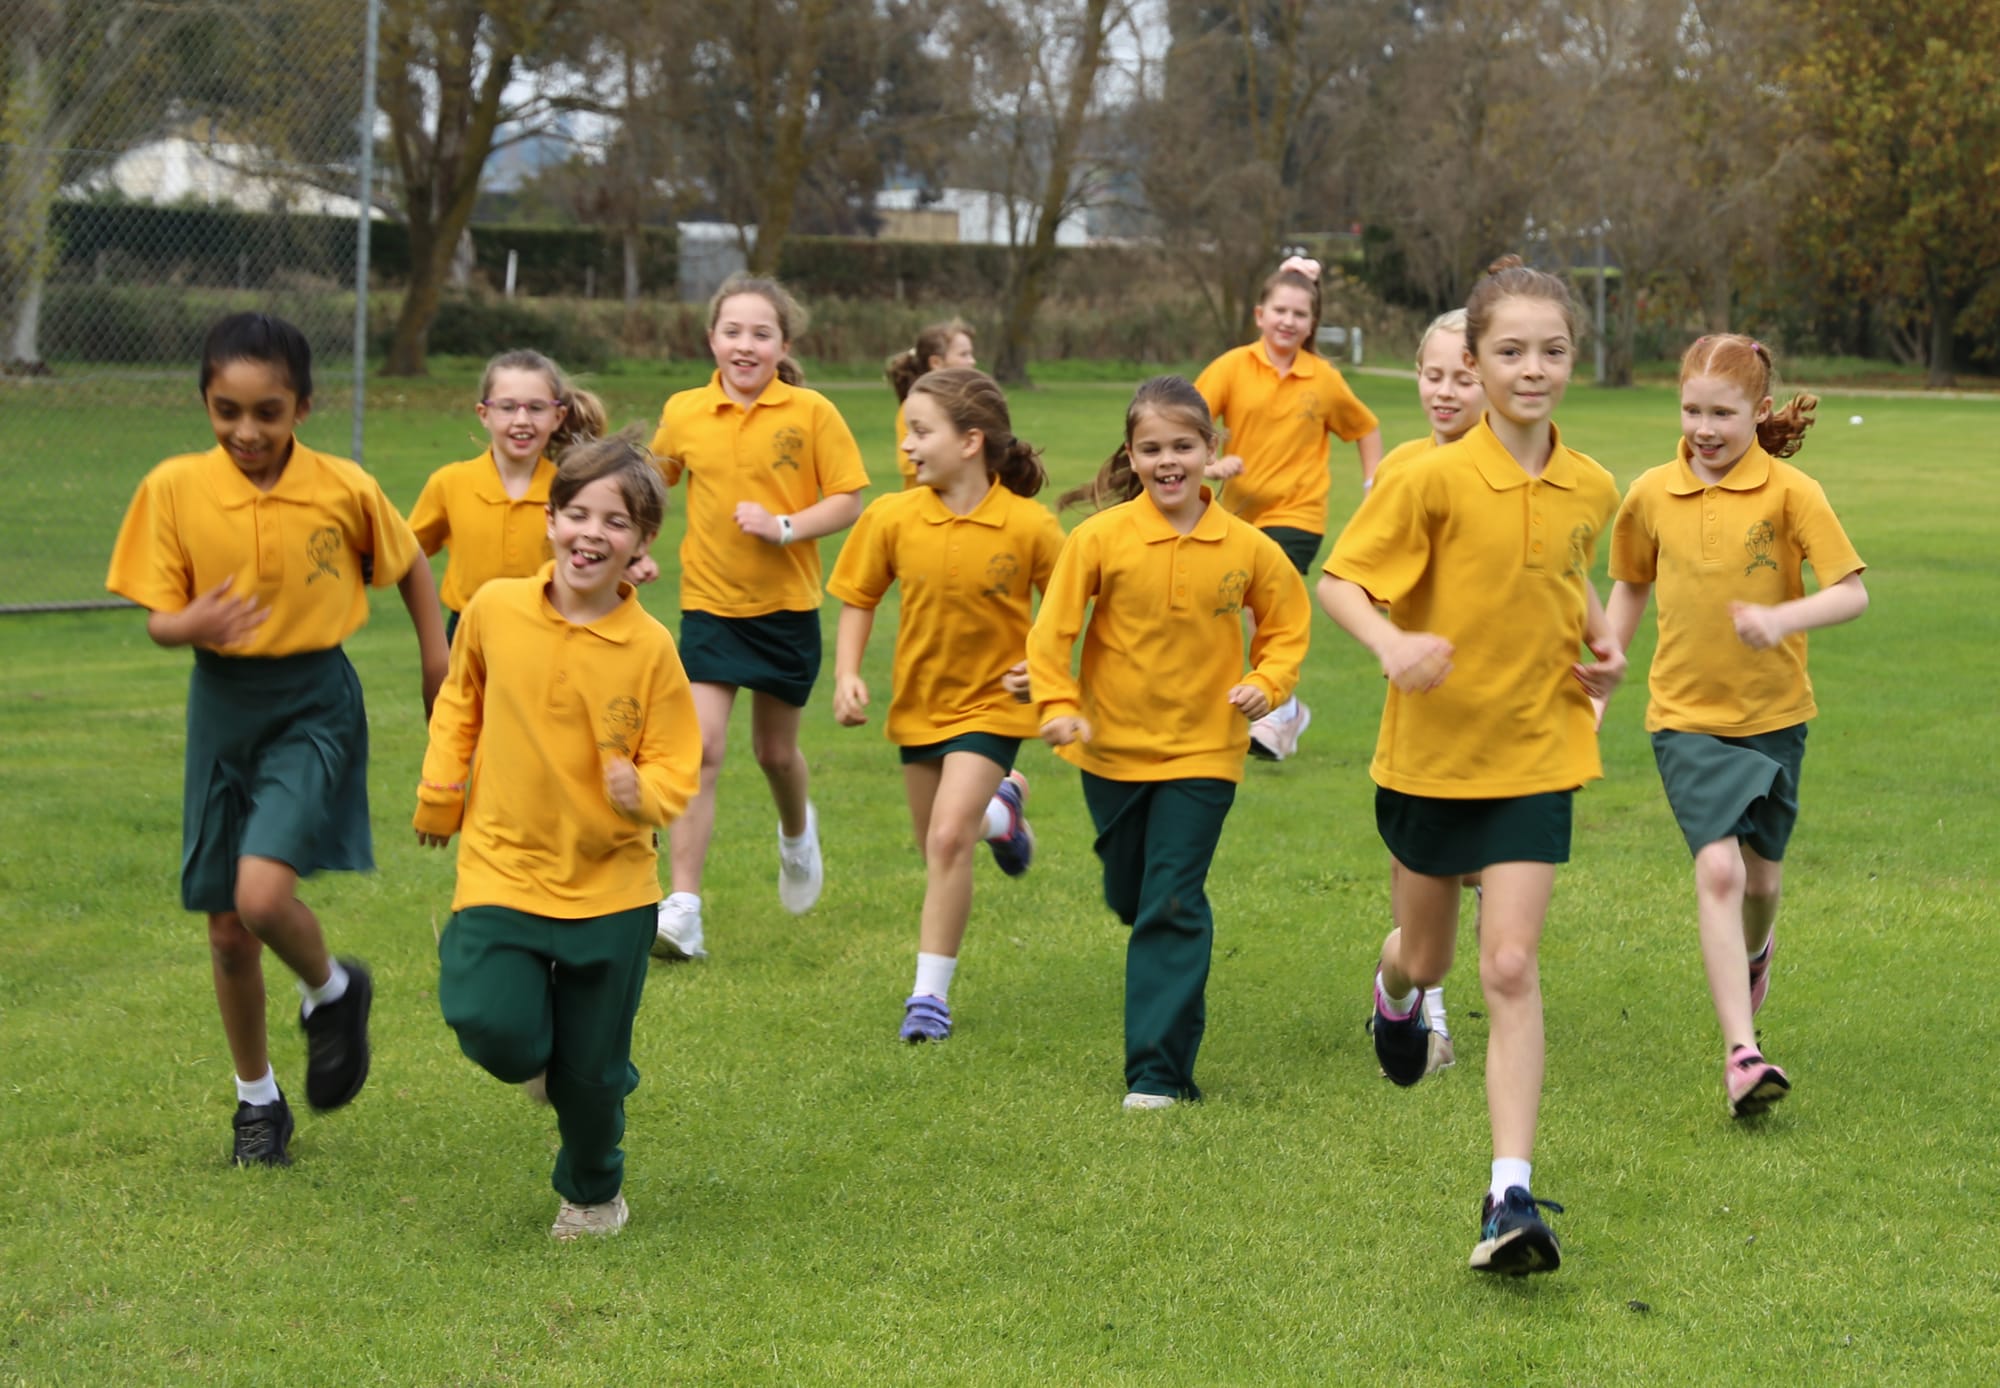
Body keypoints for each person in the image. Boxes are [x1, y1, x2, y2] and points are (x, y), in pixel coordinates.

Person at [1317, 257, 1624, 1274]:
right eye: (1509, 352)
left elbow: (1568, 569)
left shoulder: (1591, 483)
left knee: (1507, 964)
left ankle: (1507, 1194)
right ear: (1475, 360)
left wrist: (1601, 651)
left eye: (1551, 351)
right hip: (1430, 757)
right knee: (1432, 954)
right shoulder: (1427, 477)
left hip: (1537, 750)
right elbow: (1343, 583)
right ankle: (1393, 989)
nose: (1531, 370)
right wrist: (1391, 647)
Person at [105, 311, 449, 1168]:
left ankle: (333, 990)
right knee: (225, 929)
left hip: (312, 702)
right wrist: (194, 620)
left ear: (303, 407)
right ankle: (257, 1103)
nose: (246, 431)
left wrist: (436, 655)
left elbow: (407, 561)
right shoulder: (175, 488)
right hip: (222, 708)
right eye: (227, 411)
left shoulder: (342, 486)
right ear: (207, 403)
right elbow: (157, 619)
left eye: (268, 412)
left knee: (261, 900)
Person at [416, 437, 700, 1240]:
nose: (590, 532)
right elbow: (459, 699)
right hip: (501, 866)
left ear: (642, 544)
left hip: (611, 890)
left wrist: (638, 791)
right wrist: (442, 790)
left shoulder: (651, 650)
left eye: (615, 522)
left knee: (592, 1077)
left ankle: (593, 1193)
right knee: (492, 1024)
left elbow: (681, 760)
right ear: (550, 519)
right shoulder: (496, 611)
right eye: (576, 512)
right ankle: (556, 1066)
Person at [1028, 376, 1310, 1110]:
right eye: (1151, 449)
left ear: (1210, 452)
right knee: (1134, 896)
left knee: (1174, 900)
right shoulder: (1097, 538)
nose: (1168, 461)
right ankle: (1149, 933)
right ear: (1131, 455)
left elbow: (1285, 624)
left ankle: (1157, 1075)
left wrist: (1268, 683)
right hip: (1110, 749)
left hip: (1204, 754)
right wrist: (1056, 704)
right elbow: (1051, 632)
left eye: (1183, 445)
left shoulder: (1246, 546)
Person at [1606, 334, 1867, 1119]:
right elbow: (1627, 590)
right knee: (1717, 872)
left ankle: (1756, 951)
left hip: (1776, 716)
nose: (1704, 428)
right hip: (1684, 717)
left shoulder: (1793, 493)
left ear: (1758, 412)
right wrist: (1602, 679)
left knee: (1762, 880)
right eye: (1691, 410)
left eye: (1722, 412)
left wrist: (1781, 617)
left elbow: (1851, 593)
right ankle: (1742, 1054)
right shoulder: (1650, 492)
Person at [829, 367, 1063, 1042]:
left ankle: (928, 999)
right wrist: (847, 675)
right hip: (919, 707)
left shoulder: (1029, 525)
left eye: (920, 431)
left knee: (946, 836)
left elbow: (1071, 605)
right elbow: (858, 597)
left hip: (993, 708)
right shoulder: (893, 517)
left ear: (970, 441)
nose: (906, 445)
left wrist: (1040, 665)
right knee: (937, 844)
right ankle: (1003, 816)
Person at [647, 274, 868, 961]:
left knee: (774, 753)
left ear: (783, 345)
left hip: (786, 612)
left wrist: (783, 524)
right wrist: (629, 552)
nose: (745, 345)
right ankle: (683, 908)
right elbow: (648, 490)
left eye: (760, 333)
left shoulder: (810, 413)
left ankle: (797, 835)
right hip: (709, 609)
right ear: (711, 338)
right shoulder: (684, 411)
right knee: (701, 749)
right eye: (732, 331)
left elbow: (847, 500)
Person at [1195, 255, 1384, 761]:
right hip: (1236, 515)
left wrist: (1373, 482)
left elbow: (1364, 427)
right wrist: (1210, 465)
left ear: (1312, 324)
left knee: (1264, 604)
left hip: (1298, 514)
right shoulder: (1232, 367)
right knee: (1221, 606)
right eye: (1280, 310)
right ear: (1260, 314)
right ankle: (1282, 705)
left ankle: (1277, 708)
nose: (1289, 321)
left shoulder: (1322, 379)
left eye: (1300, 315)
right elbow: (1185, 418)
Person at [1373, 307, 1487, 1074]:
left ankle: (1433, 991)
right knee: (1432, 884)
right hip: (1425, 712)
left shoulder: (1527, 469)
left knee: (1487, 874)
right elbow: (1371, 586)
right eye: (1432, 374)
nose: (1443, 392)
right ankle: (1419, 1006)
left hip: (1508, 711)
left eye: (1463, 378)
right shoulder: (1403, 471)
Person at [407, 349, 609, 641]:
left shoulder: (571, 488)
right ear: (484, 414)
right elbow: (405, 553)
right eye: (508, 407)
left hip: (550, 634)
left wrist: (635, 560)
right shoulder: (449, 483)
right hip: (469, 635)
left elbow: (599, 554)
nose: (522, 420)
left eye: (536, 408)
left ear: (558, 416)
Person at [885, 321, 978, 490]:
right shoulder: (913, 408)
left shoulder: (971, 403)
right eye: (964, 355)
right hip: (923, 509)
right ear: (936, 362)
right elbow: (909, 464)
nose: (972, 361)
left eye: (971, 354)